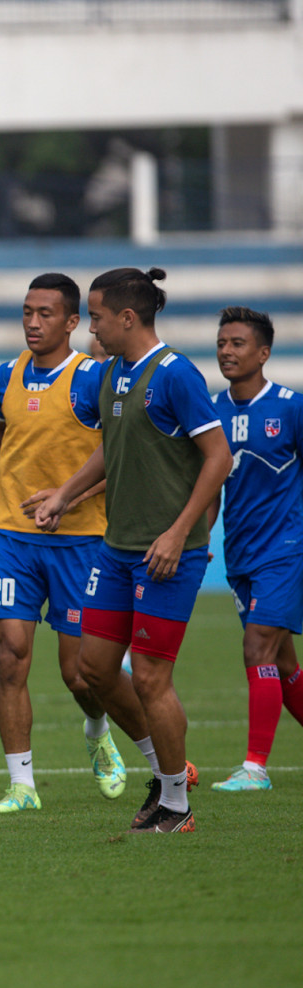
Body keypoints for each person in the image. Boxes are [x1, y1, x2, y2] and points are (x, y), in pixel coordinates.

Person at [0, 273, 150, 814]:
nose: (33, 322)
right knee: (11, 657)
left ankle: (98, 730)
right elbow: (1, 427)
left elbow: (122, 455)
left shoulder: (93, 380)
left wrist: (72, 499)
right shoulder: (6, 374)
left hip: (80, 542)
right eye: (27, 312)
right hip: (14, 535)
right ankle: (22, 787)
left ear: (72, 321)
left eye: (45, 314)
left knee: (79, 673)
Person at [34, 268, 231, 834]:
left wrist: (178, 532)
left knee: (149, 677)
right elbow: (111, 447)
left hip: (167, 553)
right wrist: (67, 494)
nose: (89, 327)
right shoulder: (112, 375)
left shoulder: (176, 376)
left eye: (94, 317)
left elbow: (217, 458)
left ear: (127, 318)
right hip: (116, 549)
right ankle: (167, 774)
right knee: (93, 670)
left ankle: (176, 804)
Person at [207, 306, 303, 791]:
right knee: (283, 664)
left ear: (263, 353)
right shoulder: (212, 412)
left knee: (256, 647)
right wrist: (199, 538)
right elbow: (206, 486)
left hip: (287, 548)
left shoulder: (291, 407)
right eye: (222, 342)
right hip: (240, 552)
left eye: (238, 343)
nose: (226, 350)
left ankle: (255, 768)